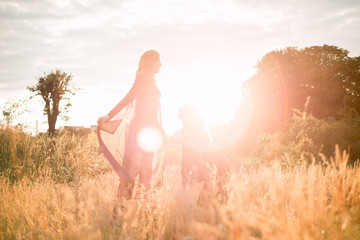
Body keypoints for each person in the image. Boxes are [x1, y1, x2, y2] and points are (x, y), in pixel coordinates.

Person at [97, 50, 163, 199]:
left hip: (150, 132)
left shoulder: (151, 81)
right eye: (159, 61)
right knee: (131, 172)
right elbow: (128, 98)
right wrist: (109, 115)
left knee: (146, 172)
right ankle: (120, 211)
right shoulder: (142, 79)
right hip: (139, 130)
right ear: (152, 63)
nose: (161, 64)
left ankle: (144, 211)